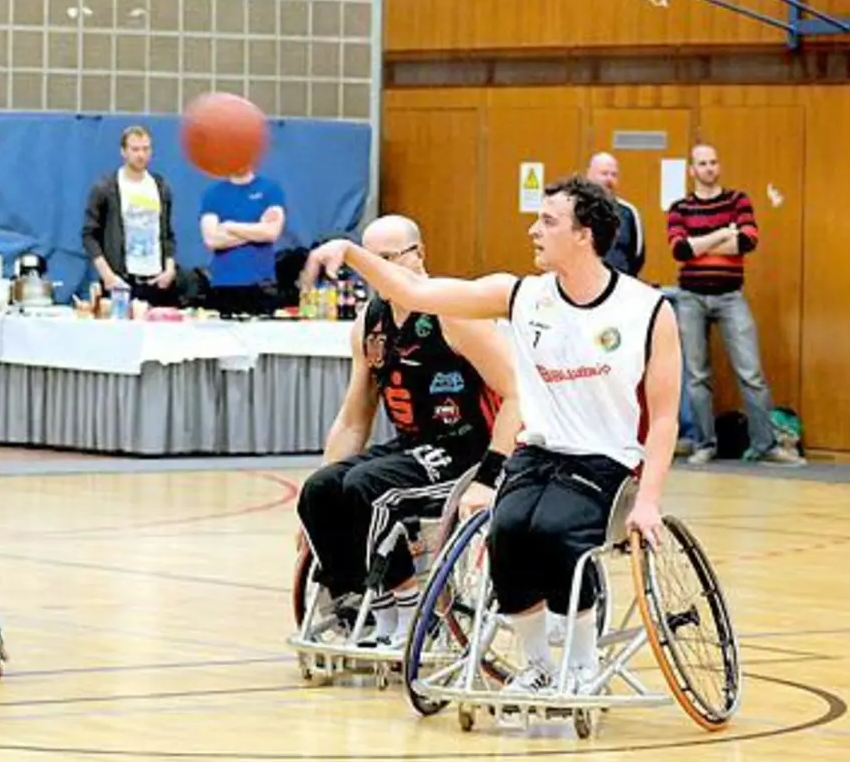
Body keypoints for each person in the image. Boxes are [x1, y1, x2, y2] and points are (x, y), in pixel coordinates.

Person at [305, 176, 680, 695]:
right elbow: (413, 290)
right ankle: (537, 665)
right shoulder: (520, 294)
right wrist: (348, 251)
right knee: (505, 534)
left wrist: (651, 500)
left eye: (548, 221)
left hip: (606, 459)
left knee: (553, 532)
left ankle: (580, 663)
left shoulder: (647, 310)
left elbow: (663, 418)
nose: (533, 229)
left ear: (585, 233)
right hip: (537, 453)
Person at [299, 214, 521, 649]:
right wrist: (320, 514)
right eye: (368, 260)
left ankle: (409, 609)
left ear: (418, 256)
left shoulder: (454, 312)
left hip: (467, 451)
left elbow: (518, 393)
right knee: (321, 490)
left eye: (387, 258)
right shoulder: (370, 322)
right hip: (413, 447)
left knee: (368, 488)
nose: (376, 269)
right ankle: (364, 607)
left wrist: (491, 476)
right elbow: (353, 416)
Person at [666, 144, 803, 466]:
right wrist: (720, 234)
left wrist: (702, 243)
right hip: (690, 298)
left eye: (714, 162)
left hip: (731, 296)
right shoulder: (679, 207)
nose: (710, 168)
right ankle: (704, 444)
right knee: (696, 375)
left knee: (751, 373)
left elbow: (747, 240)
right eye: (702, 163)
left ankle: (765, 445)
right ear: (692, 170)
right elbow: (681, 251)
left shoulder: (737, 201)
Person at [81, 126, 179, 308]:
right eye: (135, 149)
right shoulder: (106, 188)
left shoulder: (160, 187)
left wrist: (169, 269)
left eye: (145, 149)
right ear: (123, 151)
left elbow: (168, 234)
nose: (141, 155)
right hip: (121, 281)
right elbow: (89, 236)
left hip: (156, 281)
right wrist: (107, 276)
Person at [199, 169, 286, 318]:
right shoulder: (213, 193)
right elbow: (211, 240)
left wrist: (229, 226)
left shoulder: (270, 189)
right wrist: (257, 229)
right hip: (223, 285)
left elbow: (271, 233)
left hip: (261, 284)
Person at [586, 152, 644, 278]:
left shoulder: (628, 212)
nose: (609, 179)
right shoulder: (573, 209)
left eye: (614, 175)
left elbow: (637, 255)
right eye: (604, 173)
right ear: (589, 175)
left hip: (620, 285)